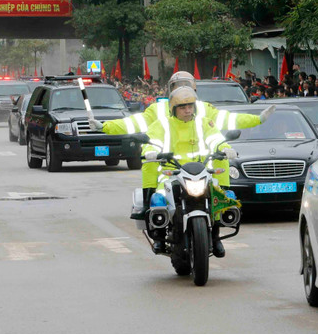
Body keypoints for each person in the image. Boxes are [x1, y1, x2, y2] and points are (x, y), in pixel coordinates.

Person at [97, 71, 272, 233]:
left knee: (222, 168)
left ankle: (219, 223)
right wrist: (105, 126)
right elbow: (136, 125)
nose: (187, 109)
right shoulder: (159, 113)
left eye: (187, 88)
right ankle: (152, 214)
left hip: (201, 168)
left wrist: (255, 121)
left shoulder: (203, 113)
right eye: (178, 87)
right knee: (154, 182)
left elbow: (226, 123)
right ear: (171, 94)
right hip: (171, 168)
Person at [142, 86, 238, 258]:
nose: (187, 110)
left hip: (201, 172)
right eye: (182, 107)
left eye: (190, 106)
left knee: (221, 197)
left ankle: (215, 236)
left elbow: (216, 139)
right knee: (158, 198)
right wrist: (150, 151)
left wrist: (225, 148)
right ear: (173, 109)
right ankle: (159, 235)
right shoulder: (162, 125)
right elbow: (152, 142)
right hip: (172, 173)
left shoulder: (204, 123)